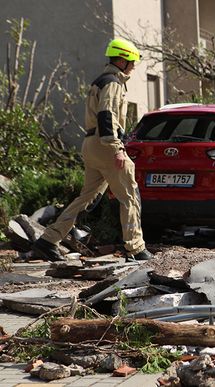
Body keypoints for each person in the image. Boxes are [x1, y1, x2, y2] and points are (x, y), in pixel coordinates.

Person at [32, 38, 153, 261]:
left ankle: (48, 240)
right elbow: (107, 115)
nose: (134, 67)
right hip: (107, 144)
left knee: (85, 198)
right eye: (132, 62)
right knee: (130, 196)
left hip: (91, 145)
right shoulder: (113, 82)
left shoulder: (100, 80)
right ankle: (136, 248)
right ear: (122, 60)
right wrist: (117, 148)